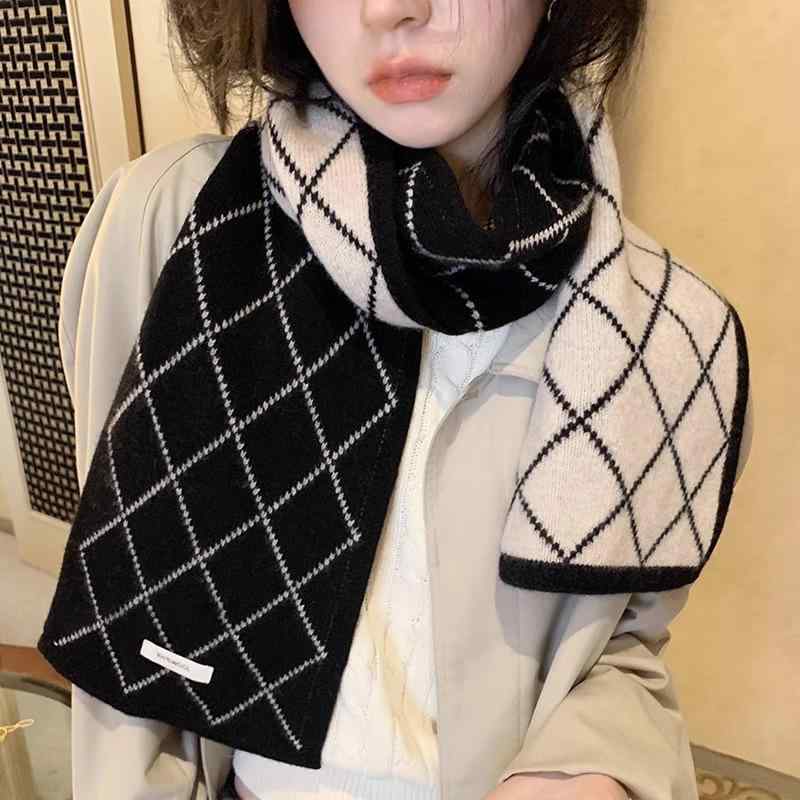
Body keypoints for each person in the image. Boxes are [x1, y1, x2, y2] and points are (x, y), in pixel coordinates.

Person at [48, 1, 753, 798]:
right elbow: (122, 613)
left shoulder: (664, 329)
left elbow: (622, 646)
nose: (391, 8)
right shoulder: (172, 222)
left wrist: (586, 768)